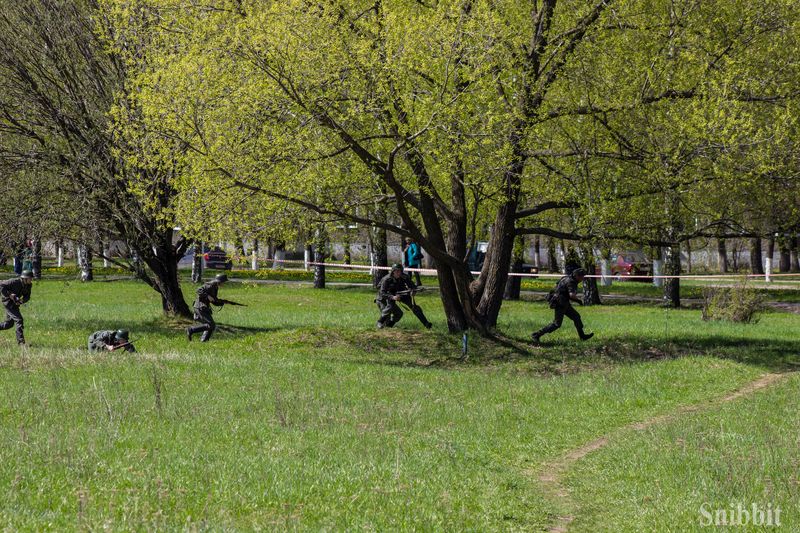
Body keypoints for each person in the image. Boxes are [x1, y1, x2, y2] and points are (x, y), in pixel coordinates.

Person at [531, 268, 594, 343]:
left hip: (563, 302)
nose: (583, 278)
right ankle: (536, 335)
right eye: (582, 276)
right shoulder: (572, 282)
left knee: (576, 317)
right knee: (556, 324)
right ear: (577, 276)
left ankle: (582, 336)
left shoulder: (565, 278)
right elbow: (571, 295)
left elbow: (556, 285)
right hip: (560, 303)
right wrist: (579, 301)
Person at [376, 264, 432, 329]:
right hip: (385, 297)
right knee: (390, 308)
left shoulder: (404, 277)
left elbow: (412, 286)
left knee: (412, 307)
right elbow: (382, 292)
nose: (398, 273)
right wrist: (393, 297)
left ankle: (426, 324)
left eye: (400, 271)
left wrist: (413, 291)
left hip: (400, 293)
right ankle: (380, 322)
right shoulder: (386, 279)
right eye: (396, 271)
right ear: (393, 271)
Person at [187, 273, 228, 342]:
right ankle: (191, 330)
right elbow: (198, 290)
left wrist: (221, 303)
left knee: (211, 325)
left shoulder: (215, 287)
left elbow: (213, 300)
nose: (224, 284)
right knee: (211, 325)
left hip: (204, 307)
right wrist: (207, 296)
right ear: (219, 281)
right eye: (224, 282)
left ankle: (204, 340)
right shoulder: (209, 285)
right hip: (200, 307)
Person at [0, 270, 33, 345]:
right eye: (30, 278)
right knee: (19, 320)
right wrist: (9, 295)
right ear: (24, 278)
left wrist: (21, 301)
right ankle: (21, 342)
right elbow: (1, 285)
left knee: (8, 324)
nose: (31, 280)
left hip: (15, 303)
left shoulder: (29, 285)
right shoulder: (13, 281)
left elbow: (27, 296)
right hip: (8, 302)